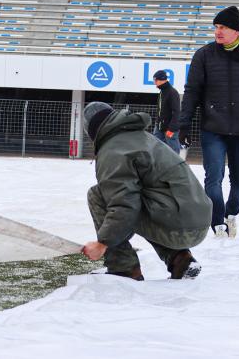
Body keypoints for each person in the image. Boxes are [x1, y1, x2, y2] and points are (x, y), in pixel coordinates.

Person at [81, 102, 212, 281]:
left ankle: (123, 268)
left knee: (97, 195)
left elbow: (124, 207)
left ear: (92, 131)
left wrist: (103, 243)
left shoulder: (113, 150)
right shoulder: (142, 138)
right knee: (146, 201)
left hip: (179, 226)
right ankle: (180, 259)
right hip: (199, 222)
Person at [178, 6, 239, 239]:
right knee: (213, 179)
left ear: (236, 31)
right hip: (213, 128)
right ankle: (218, 225)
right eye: (216, 27)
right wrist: (184, 124)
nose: (217, 32)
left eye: (223, 27)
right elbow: (191, 91)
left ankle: (230, 215)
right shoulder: (204, 55)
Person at [152, 69, 181, 154]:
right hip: (160, 127)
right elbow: (161, 110)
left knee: (173, 152)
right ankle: (158, 166)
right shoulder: (162, 92)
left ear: (161, 79)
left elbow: (176, 112)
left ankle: (176, 166)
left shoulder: (172, 92)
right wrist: (158, 123)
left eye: (155, 80)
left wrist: (171, 129)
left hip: (170, 128)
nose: (154, 82)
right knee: (155, 148)